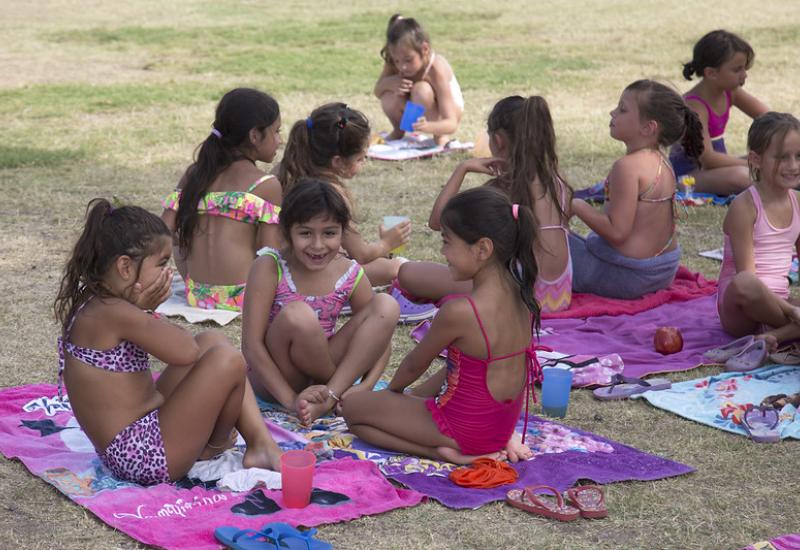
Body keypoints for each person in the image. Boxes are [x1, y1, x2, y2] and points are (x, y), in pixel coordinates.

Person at [54, 199, 282, 486]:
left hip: (135, 440)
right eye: (161, 263)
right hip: (144, 457)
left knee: (212, 340)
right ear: (125, 267)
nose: (168, 272)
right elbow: (185, 352)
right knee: (228, 361)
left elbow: (189, 347)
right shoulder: (114, 312)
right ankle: (213, 446)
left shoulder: (97, 302)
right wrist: (146, 310)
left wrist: (142, 311)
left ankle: (258, 443)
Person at [342, 187, 539, 464]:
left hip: (463, 431)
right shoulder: (524, 298)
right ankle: (459, 445)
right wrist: (411, 399)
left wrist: (392, 395)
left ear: (482, 249)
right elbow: (471, 370)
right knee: (412, 400)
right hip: (499, 429)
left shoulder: (461, 311)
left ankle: (443, 453)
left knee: (352, 408)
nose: (442, 251)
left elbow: (413, 365)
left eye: (447, 241)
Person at [242, 179, 400, 425]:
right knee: (298, 315)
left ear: (343, 233)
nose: (317, 245)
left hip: (326, 377)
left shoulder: (350, 272)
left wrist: (364, 386)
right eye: (305, 233)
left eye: (329, 233)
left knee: (386, 305)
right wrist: (291, 400)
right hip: (279, 376)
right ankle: (328, 393)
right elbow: (251, 346)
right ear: (287, 232)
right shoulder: (269, 266)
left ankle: (330, 397)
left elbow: (380, 336)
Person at [397, 95, 573, 314]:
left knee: (408, 272)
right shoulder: (559, 184)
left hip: (518, 295)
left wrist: (463, 168)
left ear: (498, 140)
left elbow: (437, 221)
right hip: (559, 294)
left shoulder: (502, 189)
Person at [570, 80, 704, 299]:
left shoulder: (627, 167)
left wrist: (576, 205)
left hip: (627, 277)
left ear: (648, 128)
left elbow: (617, 232)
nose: (613, 112)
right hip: (661, 272)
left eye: (622, 109)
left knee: (542, 237)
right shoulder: (662, 161)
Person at [162, 88, 282, 311]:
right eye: (276, 132)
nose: (280, 140)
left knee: (186, 232)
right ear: (255, 135)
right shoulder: (266, 184)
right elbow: (269, 254)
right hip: (246, 297)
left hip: (197, 295)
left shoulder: (194, 174)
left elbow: (163, 230)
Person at [277, 102, 409, 288]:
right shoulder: (331, 193)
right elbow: (361, 254)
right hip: (312, 275)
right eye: (360, 158)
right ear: (337, 162)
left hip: (280, 268)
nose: (364, 163)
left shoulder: (283, 172)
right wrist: (387, 243)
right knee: (397, 268)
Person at [717, 112, 800, 346]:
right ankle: (791, 325)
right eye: (782, 157)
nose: (793, 166)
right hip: (741, 311)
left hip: (780, 302)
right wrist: (791, 310)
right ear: (755, 159)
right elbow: (747, 279)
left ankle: (772, 336)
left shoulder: (798, 203)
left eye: (799, 156)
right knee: (744, 281)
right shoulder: (744, 206)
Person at [670, 30, 769, 195]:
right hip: (688, 177)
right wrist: (758, 165)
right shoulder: (694, 106)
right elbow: (708, 159)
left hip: (714, 171)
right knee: (743, 176)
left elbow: (772, 119)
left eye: (744, 68)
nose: (744, 75)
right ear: (711, 73)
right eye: (737, 70)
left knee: (775, 162)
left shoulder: (730, 92)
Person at [374, 14, 463, 145]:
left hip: (446, 114)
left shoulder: (436, 69)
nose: (402, 67)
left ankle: (440, 137)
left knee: (421, 90)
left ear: (425, 49)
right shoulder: (395, 60)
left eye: (408, 60)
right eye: (397, 60)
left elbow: (452, 123)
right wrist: (391, 83)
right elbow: (378, 91)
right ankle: (399, 130)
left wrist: (429, 127)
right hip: (416, 112)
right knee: (389, 95)